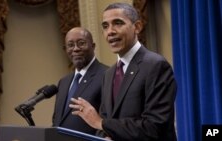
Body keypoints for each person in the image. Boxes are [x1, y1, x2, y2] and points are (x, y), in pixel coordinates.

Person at [69, 3, 177, 141]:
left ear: (137, 27)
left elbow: (154, 127)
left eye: (118, 23)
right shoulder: (108, 74)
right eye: (105, 26)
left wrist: (100, 123)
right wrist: (103, 136)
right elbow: (105, 124)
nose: (110, 31)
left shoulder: (156, 65)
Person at [52, 27, 108, 135]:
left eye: (81, 43)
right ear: (65, 49)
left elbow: (109, 120)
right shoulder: (63, 82)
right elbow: (57, 120)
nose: (76, 49)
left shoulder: (107, 75)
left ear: (93, 46)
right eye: (71, 45)